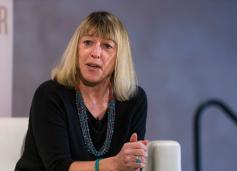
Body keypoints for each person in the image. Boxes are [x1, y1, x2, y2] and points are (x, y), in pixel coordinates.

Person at [15, 11, 148, 171]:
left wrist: (133, 161)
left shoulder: (135, 99)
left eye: (107, 46)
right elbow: (59, 167)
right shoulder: (49, 95)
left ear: (120, 57)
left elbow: (131, 165)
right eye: (88, 42)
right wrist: (113, 164)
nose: (95, 53)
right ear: (76, 49)